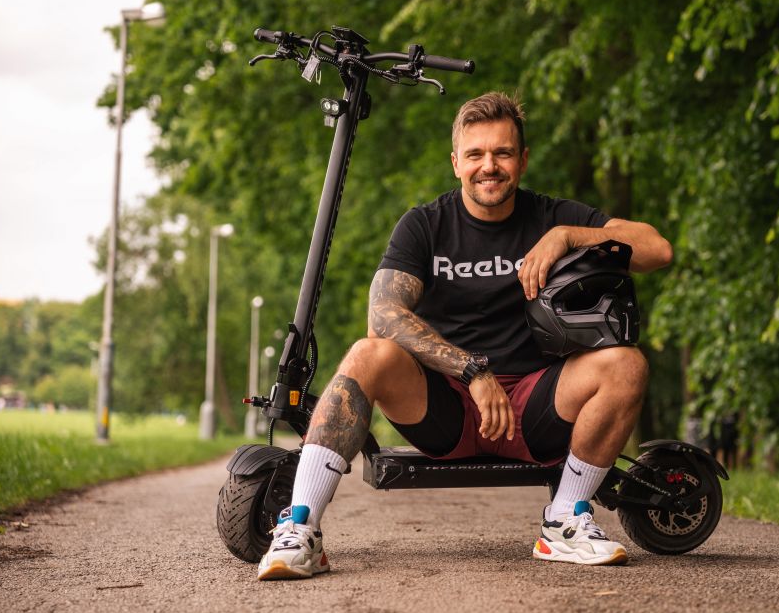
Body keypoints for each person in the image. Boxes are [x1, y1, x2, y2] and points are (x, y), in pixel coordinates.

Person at [258, 92, 672, 580]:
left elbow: (657, 249)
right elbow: (384, 315)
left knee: (627, 363)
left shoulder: (552, 216)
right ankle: (299, 530)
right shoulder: (425, 225)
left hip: (535, 406)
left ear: (522, 159)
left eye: (501, 153)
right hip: (446, 407)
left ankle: (565, 522)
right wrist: (471, 370)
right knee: (369, 352)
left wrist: (567, 236)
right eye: (475, 154)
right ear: (456, 162)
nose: (488, 166)